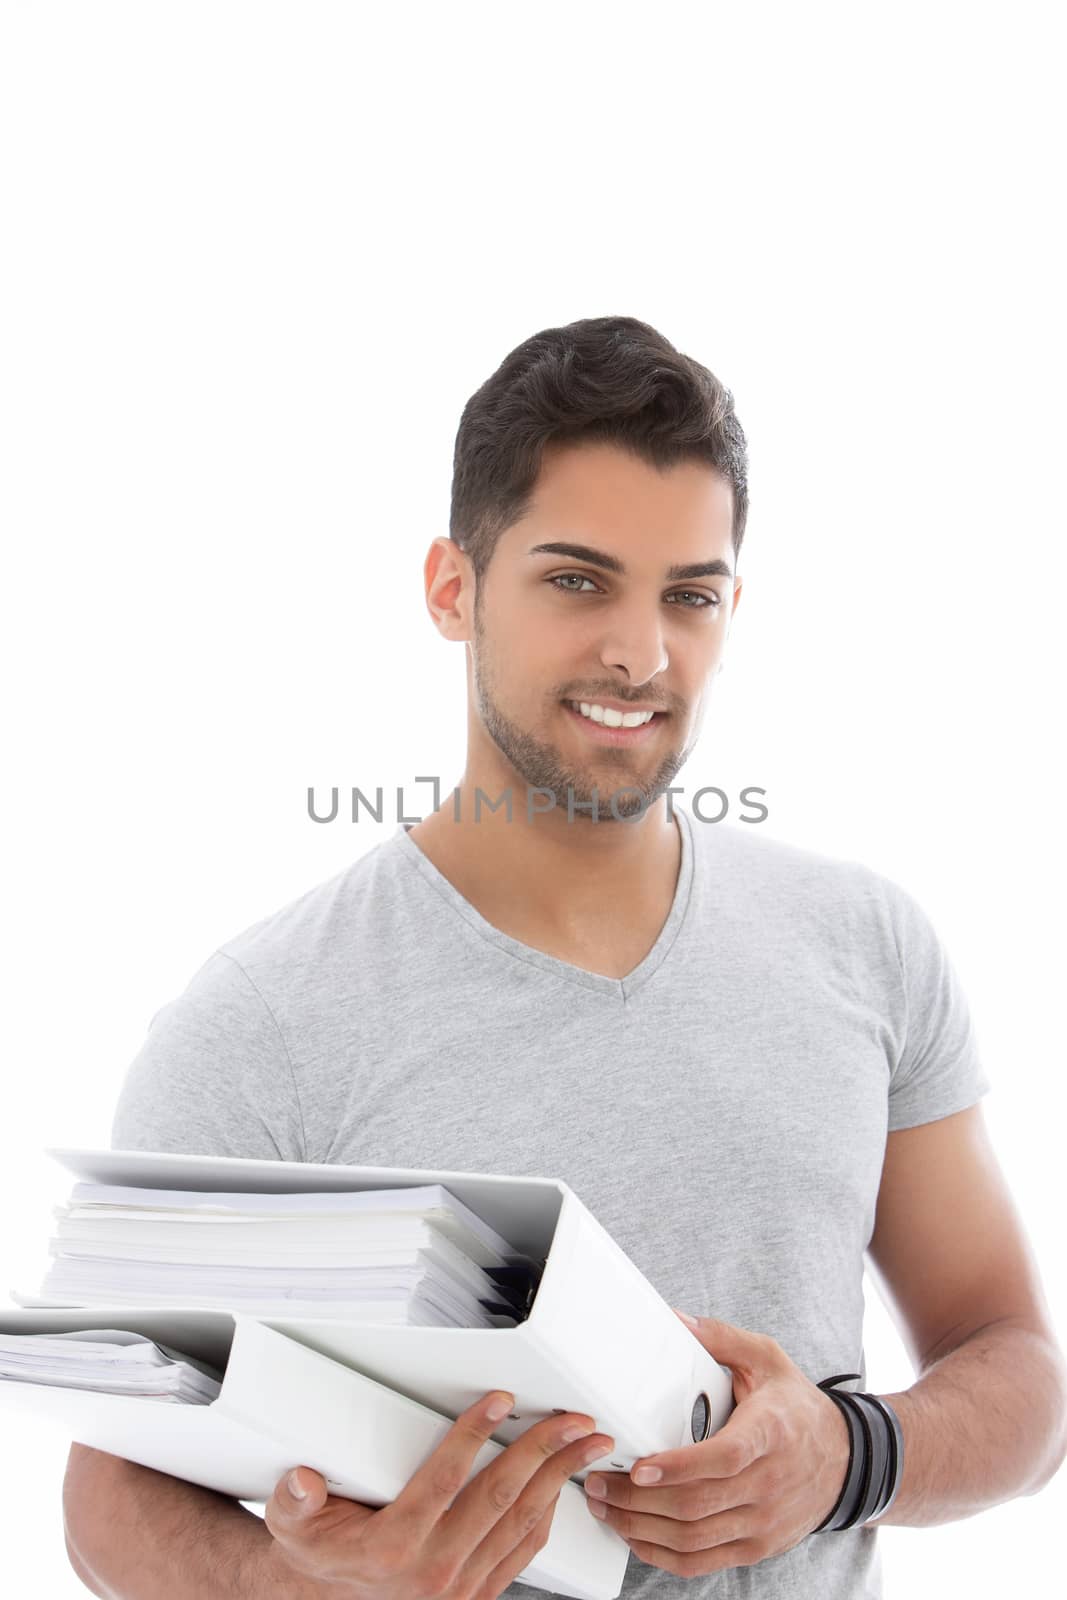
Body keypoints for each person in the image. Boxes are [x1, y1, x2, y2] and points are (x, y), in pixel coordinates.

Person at [62, 315, 1066, 1600]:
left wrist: (845, 1455)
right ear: (451, 587)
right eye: (577, 580)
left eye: (688, 595)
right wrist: (315, 1587)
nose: (641, 655)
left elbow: (1019, 1371)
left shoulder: (865, 944)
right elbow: (106, 1502)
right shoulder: (264, 1020)